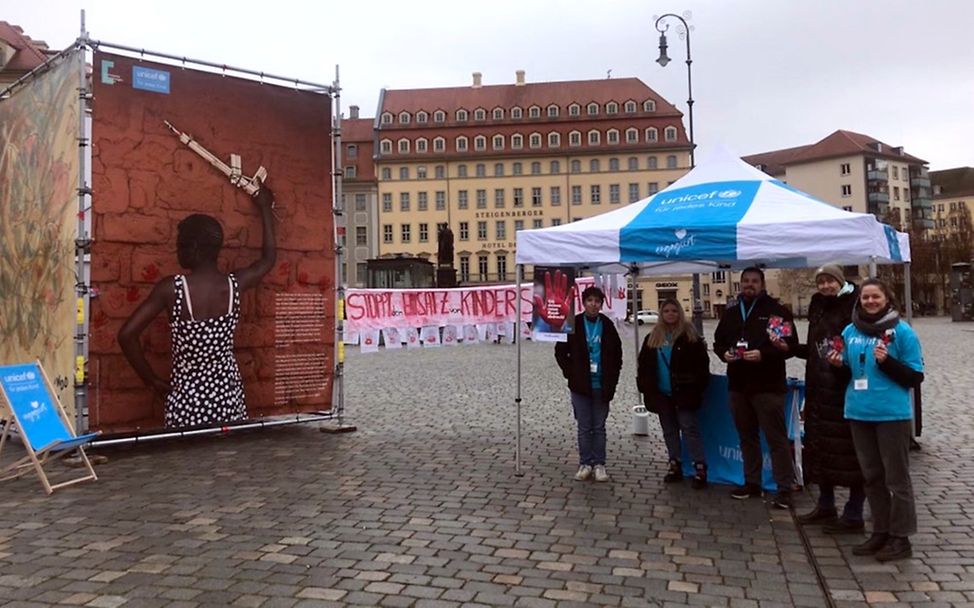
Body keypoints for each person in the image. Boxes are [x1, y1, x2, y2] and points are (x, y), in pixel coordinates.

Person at [118, 183, 277, 428]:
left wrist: (151, 380)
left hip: (187, 402)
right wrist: (265, 208)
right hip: (228, 396)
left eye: (180, 244)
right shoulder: (235, 284)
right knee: (227, 461)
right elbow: (267, 259)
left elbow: (127, 335)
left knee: (187, 462)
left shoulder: (171, 289)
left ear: (193, 248)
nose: (176, 250)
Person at [827, 278, 923, 562]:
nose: (870, 302)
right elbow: (847, 373)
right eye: (866, 298)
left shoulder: (903, 333)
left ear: (887, 300)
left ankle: (901, 537)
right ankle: (880, 531)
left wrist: (887, 363)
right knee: (872, 477)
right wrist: (836, 366)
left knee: (897, 478)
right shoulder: (849, 330)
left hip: (891, 414)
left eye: (875, 297)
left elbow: (915, 377)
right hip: (859, 412)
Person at [773, 264, 865, 533]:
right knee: (821, 449)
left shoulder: (854, 305)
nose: (825, 286)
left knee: (850, 453)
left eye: (830, 281)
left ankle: (854, 512)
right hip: (817, 388)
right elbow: (816, 350)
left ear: (839, 281)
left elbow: (857, 348)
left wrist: (843, 366)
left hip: (843, 388)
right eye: (821, 282)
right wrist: (788, 348)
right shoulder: (819, 306)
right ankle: (826, 506)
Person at [714, 267, 799, 508]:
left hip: (768, 386)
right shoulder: (731, 313)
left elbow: (789, 346)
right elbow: (719, 342)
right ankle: (752, 482)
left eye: (754, 281)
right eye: (745, 281)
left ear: (762, 284)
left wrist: (764, 354)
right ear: (740, 284)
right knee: (746, 437)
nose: (749, 285)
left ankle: (784, 488)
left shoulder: (776, 311)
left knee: (776, 439)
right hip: (738, 385)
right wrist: (724, 354)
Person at [637, 298, 711, 488]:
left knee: (689, 429)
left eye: (674, 311)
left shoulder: (690, 337)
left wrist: (697, 387)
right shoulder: (653, 337)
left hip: (684, 393)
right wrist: (645, 386)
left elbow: (702, 365)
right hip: (662, 393)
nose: (670, 314)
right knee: (669, 431)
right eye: (666, 311)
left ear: (679, 313)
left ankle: (699, 467)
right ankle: (674, 463)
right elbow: (644, 365)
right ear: (661, 314)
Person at [555, 286, 623, 482]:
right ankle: (585, 463)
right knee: (584, 427)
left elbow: (617, 355)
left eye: (597, 301)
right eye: (590, 301)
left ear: (601, 304)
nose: (593, 304)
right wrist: (571, 373)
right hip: (580, 385)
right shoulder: (573, 322)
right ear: (584, 303)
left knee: (599, 426)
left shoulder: (607, 325)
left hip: (601, 384)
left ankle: (599, 464)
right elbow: (560, 351)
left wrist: (612, 379)